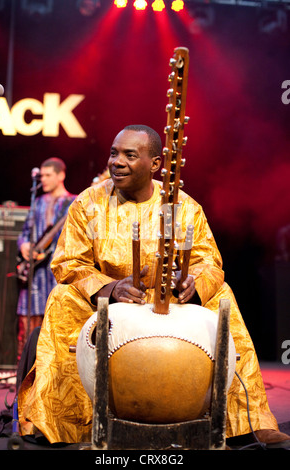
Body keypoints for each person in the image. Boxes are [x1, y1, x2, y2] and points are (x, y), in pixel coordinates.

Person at [18, 125, 290, 448]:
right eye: (113, 153)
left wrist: (193, 284)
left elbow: (210, 263)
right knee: (62, 298)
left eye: (129, 155)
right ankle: (60, 423)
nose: (116, 162)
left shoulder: (183, 206)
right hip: (110, 304)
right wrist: (111, 288)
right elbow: (67, 264)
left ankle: (249, 421)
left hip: (171, 306)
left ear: (156, 164)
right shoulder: (87, 204)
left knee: (223, 296)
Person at [16, 157, 76, 361]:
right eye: (41, 176)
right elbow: (24, 233)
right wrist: (24, 244)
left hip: (57, 272)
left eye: (48, 175)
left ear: (61, 175)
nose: (43, 180)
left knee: (58, 320)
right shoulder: (38, 203)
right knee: (28, 322)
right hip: (35, 273)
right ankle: (25, 370)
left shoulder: (74, 202)